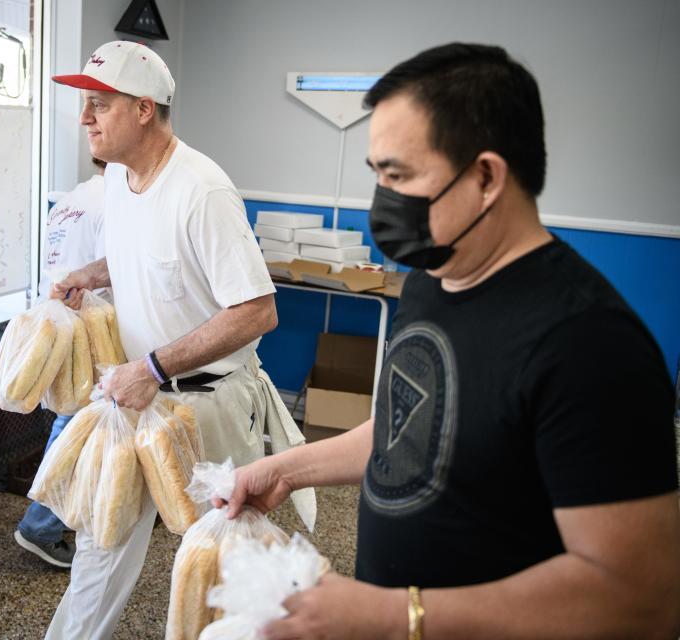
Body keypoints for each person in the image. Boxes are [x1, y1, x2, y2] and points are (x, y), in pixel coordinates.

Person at [220, 43, 680, 639]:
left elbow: (641, 597)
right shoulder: (432, 283)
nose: (381, 199)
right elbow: (412, 432)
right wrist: (286, 469)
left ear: (486, 176)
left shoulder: (588, 345)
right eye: (377, 174)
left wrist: (394, 617)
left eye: (399, 175)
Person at [45, 40, 280, 638]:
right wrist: (90, 275)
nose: (84, 118)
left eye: (99, 104)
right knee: (99, 551)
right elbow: (140, 257)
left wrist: (150, 367)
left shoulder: (203, 190)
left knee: (224, 565)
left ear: (144, 108)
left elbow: (255, 312)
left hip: (209, 412)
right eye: (84, 104)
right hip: (134, 403)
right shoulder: (121, 180)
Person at [13, 157, 106, 569]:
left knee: (73, 420)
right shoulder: (117, 204)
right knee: (77, 427)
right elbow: (122, 273)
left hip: (59, 323)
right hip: (93, 329)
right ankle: (41, 525)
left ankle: (62, 518)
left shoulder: (72, 200)